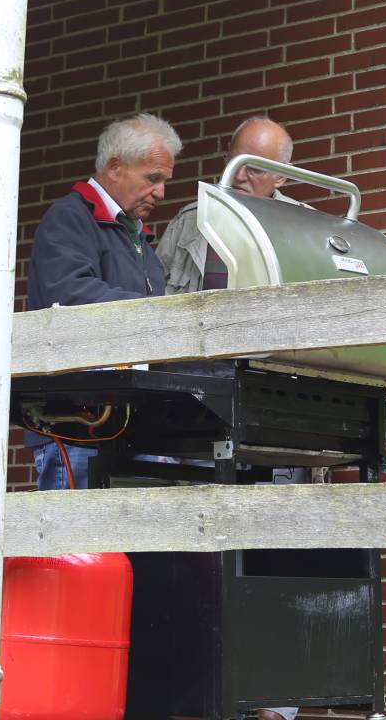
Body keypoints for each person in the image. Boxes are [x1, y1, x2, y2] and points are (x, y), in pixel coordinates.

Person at [156, 115, 303, 720]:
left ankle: (274, 701)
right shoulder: (191, 223)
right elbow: (158, 302)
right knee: (201, 550)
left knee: (275, 549)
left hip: (278, 411)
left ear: (283, 175)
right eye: (240, 161)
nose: (245, 176)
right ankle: (206, 693)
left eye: (260, 167)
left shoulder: (305, 228)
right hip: (201, 407)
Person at [26, 113, 182, 490]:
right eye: (152, 178)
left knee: (140, 547)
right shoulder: (69, 218)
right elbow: (72, 297)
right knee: (77, 546)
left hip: (132, 420)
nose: (161, 193)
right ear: (115, 167)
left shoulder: (138, 237)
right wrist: (164, 314)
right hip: (78, 424)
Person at [159, 116, 299, 295]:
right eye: (234, 162)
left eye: (254, 168)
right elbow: (153, 296)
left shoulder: (305, 229)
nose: (238, 175)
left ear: (280, 176)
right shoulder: (187, 221)